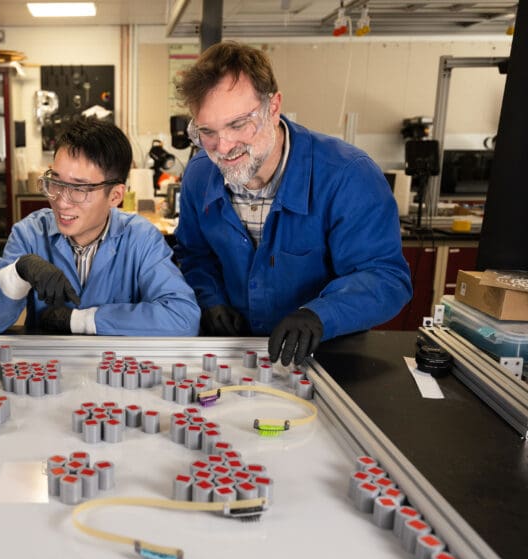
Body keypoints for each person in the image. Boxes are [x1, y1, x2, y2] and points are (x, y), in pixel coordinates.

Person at [173, 41, 411, 365]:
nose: (223, 146)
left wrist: (320, 314)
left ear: (273, 107)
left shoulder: (347, 176)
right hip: (234, 353)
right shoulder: (200, 175)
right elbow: (195, 254)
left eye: (238, 124)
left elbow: (384, 276)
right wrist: (210, 298)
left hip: (326, 354)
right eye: (207, 131)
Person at [0, 117, 200, 336]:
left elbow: (182, 318)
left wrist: (81, 320)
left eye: (79, 189)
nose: (61, 202)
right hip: (49, 366)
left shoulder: (141, 238)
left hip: (118, 368)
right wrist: (16, 274)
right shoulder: (30, 234)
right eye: (56, 182)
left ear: (115, 196)